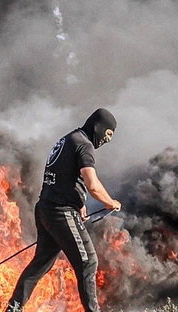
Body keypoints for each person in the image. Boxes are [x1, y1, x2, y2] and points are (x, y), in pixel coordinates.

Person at [6, 108, 121, 312]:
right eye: (109, 133)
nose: (108, 139)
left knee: (41, 263)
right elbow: (92, 184)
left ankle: (13, 308)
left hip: (45, 209)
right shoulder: (85, 145)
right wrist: (109, 201)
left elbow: (63, 176)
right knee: (88, 262)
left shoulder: (69, 140)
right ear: (99, 127)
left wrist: (79, 203)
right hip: (60, 212)